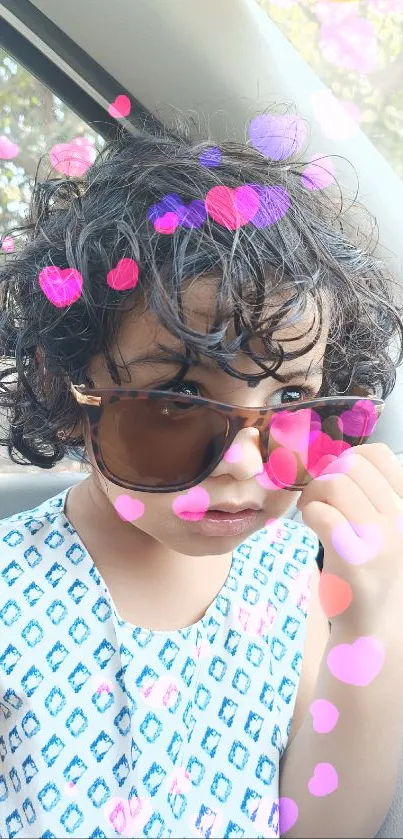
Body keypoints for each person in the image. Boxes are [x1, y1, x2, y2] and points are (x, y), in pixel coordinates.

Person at [0, 119, 403, 839]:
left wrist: (373, 621)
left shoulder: (291, 581)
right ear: (65, 395)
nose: (246, 462)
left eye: (288, 402)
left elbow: (318, 822)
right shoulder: (10, 589)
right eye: (173, 403)